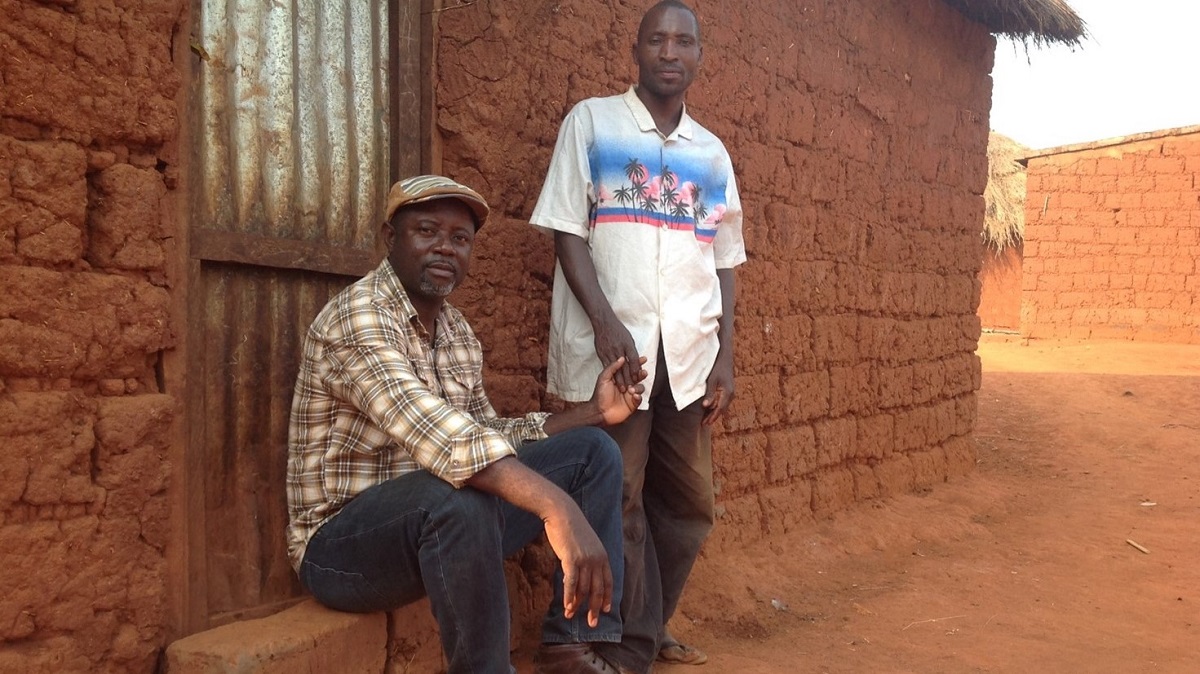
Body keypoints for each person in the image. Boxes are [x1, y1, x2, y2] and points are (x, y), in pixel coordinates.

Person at [286, 174, 649, 674]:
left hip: (437, 528)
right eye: (427, 231)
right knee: (460, 493)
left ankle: (573, 645)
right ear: (391, 239)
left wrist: (592, 414)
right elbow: (448, 443)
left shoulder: (455, 331)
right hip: (341, 551)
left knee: (592, 451)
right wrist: (557, 508)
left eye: (460, 239)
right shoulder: (359, 317)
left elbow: (486, 435)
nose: (445, 248)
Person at [529, 1, 745, 671]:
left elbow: (725, 261)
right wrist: (603, 320)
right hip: (614, 360)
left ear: (700, 57)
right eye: (658, 40)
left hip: (686, 357)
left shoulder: (711, 154)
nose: (671, 52)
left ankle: (646, 623)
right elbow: (568, 230)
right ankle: (620, 646)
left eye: (684, 42)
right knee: (617, 495)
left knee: (687, 503)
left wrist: (726, 355)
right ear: (637, 51)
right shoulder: (592, 123)